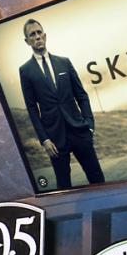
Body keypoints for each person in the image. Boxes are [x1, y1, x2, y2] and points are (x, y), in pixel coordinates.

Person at [16, 18, 104, 190]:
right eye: (32, 34)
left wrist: (89, 124)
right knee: (63, 186)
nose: (37, 37)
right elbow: (32, 108)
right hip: (54, 139)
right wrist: (44, 139)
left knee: (97, 178)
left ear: (45, 36)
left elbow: (81, 95)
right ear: (27, 41)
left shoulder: (64, 62)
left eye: (39, 32)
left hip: (79, 132)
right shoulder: (25, 71)